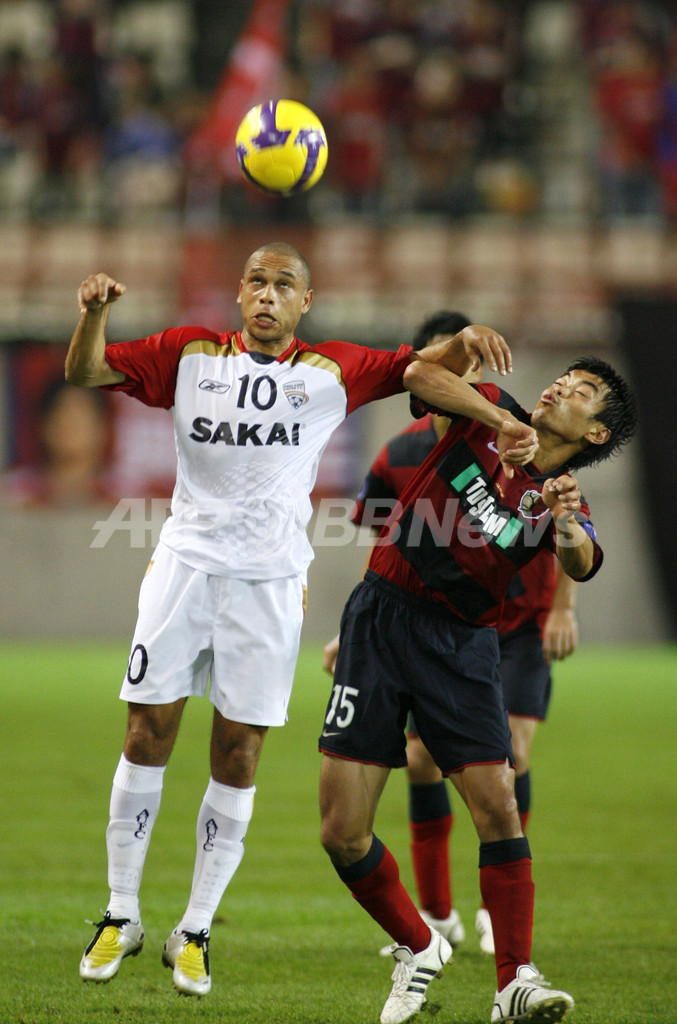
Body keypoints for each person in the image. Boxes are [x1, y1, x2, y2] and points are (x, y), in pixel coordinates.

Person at [66, 241, 476, 998]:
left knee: (240, 752)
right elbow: (86, 372)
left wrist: (465, 343)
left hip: (268, 586)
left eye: (283, 284)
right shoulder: (188, 354)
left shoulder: (332, 370)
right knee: (145, 732)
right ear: (239, 292)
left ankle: (194, 929)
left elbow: (418, 368)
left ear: (304, 302)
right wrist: (92, 315)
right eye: (256, 280)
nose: (267, 294)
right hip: (183, 571)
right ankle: (121, 911)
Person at [318, 326, 636, 1024]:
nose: (562, 385)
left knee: (498, 805)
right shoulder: (488, 409)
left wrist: (564, 525)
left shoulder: (561, 498)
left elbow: (582, 559)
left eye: (583, 391)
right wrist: (496, 412)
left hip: (459, 644)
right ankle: (418, 944)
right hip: (380, 617)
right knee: (341, 831)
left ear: (595, 434)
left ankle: (514, 978)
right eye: (566, 377)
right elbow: (417, 377)